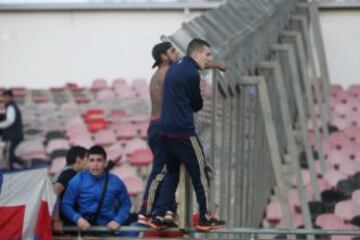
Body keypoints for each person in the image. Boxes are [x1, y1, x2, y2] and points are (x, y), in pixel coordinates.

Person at [138, 41, 227, 228]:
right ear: (195, 54)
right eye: (208, 55)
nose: (209, 59)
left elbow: (197, 61)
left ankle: (157, 215)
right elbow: (197, 104)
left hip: (165, 131)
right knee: (201, 173)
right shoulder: (191, 74)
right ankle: (204, 217)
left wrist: (217, 64)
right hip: (183, 132)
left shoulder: (174, 68)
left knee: (170, 173)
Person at [61, 145, 134, 236]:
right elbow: (66, 204)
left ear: (105, 162)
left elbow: (126, 204)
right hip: (84, 231)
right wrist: (77, 219)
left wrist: (118, 220)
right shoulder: (77, 180)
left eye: (99, 160)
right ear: (87, 162)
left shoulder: (115, 181)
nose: (95, 164)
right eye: (92, 160)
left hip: (108, 231)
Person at [52, 145, 89, 232]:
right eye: (87, 160)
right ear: (78, 160)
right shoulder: (69, 174)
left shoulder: (66, 172)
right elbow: (54, 193)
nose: (89, 164)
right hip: (63, 223)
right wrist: (56, 221)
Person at [0, 90, 23, 171]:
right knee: (10, 153)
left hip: (13, 135)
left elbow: (10, 120)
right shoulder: (11, 106)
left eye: (5, 97)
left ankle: (11, 170)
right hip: (15, 134)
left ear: (11, 97)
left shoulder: (11, 106)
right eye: (3, 97)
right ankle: (22, 162)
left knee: (9, 154)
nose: (3, 99)